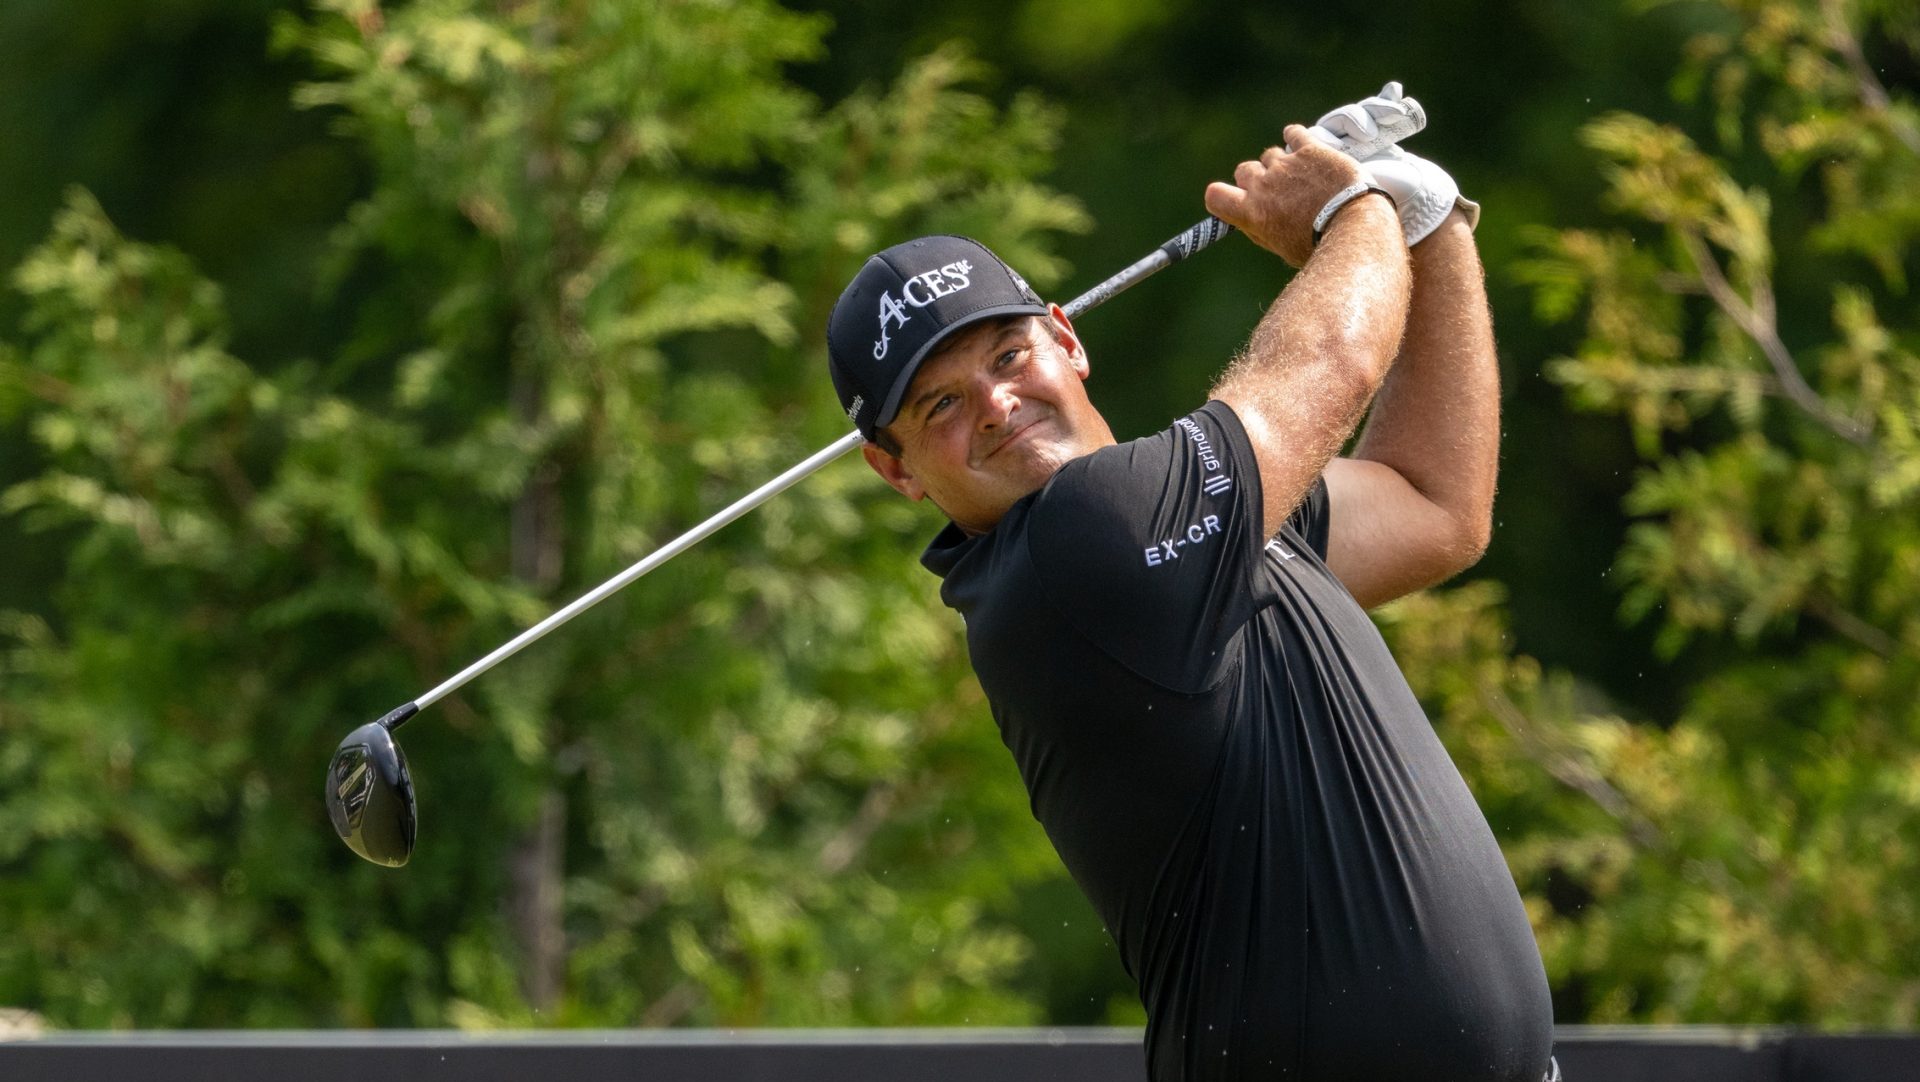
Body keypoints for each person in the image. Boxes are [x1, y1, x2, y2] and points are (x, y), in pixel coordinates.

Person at [824, 88, 1557, 1082]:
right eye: (941, 402)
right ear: (896, 468)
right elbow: (1331, 359)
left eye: (1008, 355)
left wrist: (1430, 230)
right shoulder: (1080, 546)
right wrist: (1355, 212)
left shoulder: (1195, 527)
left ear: (1066, 340)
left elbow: (1436, 506)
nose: (996, 402)